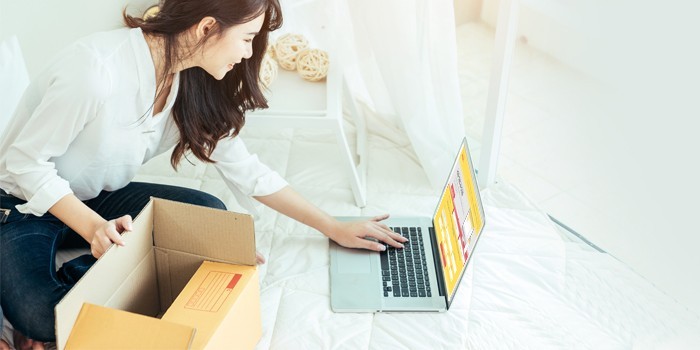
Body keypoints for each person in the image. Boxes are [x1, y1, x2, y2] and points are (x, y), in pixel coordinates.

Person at [0, 0, 407, 348]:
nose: (248, 54)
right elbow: (22, 164)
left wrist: (332, 226)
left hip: (97, 196)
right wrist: (94, 229)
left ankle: (87, 273)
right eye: (247, 38)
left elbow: (247, 170)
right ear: (208, 27)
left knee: (211, 214)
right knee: (40, 314)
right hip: (22, 203)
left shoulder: (190, 78)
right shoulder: (95, 72)